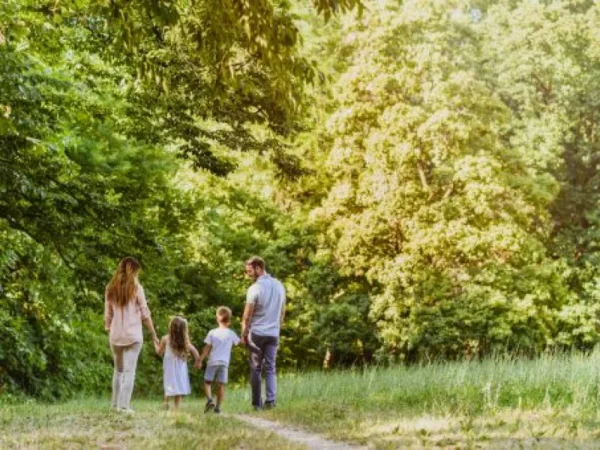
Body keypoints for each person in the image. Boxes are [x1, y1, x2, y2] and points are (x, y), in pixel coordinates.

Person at [104, 257, 159, 413]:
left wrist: (108, 326)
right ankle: (124, 406)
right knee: (129, 371)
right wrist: (153, 333)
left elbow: (108, 313)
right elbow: (145, 313)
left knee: (118, 370)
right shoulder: (136, 288)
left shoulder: (110, 288)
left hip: (116, 335)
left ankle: (114, 405)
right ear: (134, 271)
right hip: (133, 335)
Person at [241, 256, 286, 410]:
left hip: (257, 334)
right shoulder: (280, 286)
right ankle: (271, 402)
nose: (248, 275)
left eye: (250, 271)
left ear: (259, 268)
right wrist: (276, 327)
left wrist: (244, 334)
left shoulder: (254, 289)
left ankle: (257, 404)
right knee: (271, 367)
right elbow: (282, 312)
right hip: (273, 333)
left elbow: (247, 315)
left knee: (256, 368)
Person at [198, 306, 240, 414]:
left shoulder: (212, 332)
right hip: (224, 363)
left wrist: (200, 360)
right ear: (229, 320)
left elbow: (207, 348)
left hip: (212, 362)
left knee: (207, 382)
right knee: (221, 385)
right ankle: (218, 408)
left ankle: (210, 400)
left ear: (217, 319)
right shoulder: (231, 333)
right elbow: (240, 342)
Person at [154, 316, 202, 410]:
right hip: (180, 368)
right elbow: (195, 351)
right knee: (179, 385)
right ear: (184, 330)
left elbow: (159, 352)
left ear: (171, 327)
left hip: (169, 367)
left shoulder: (165, 339)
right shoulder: (185, 341)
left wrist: (155, 343)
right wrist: (198, 362)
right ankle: (176, 408)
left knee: (168, 382)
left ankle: (166, 402)